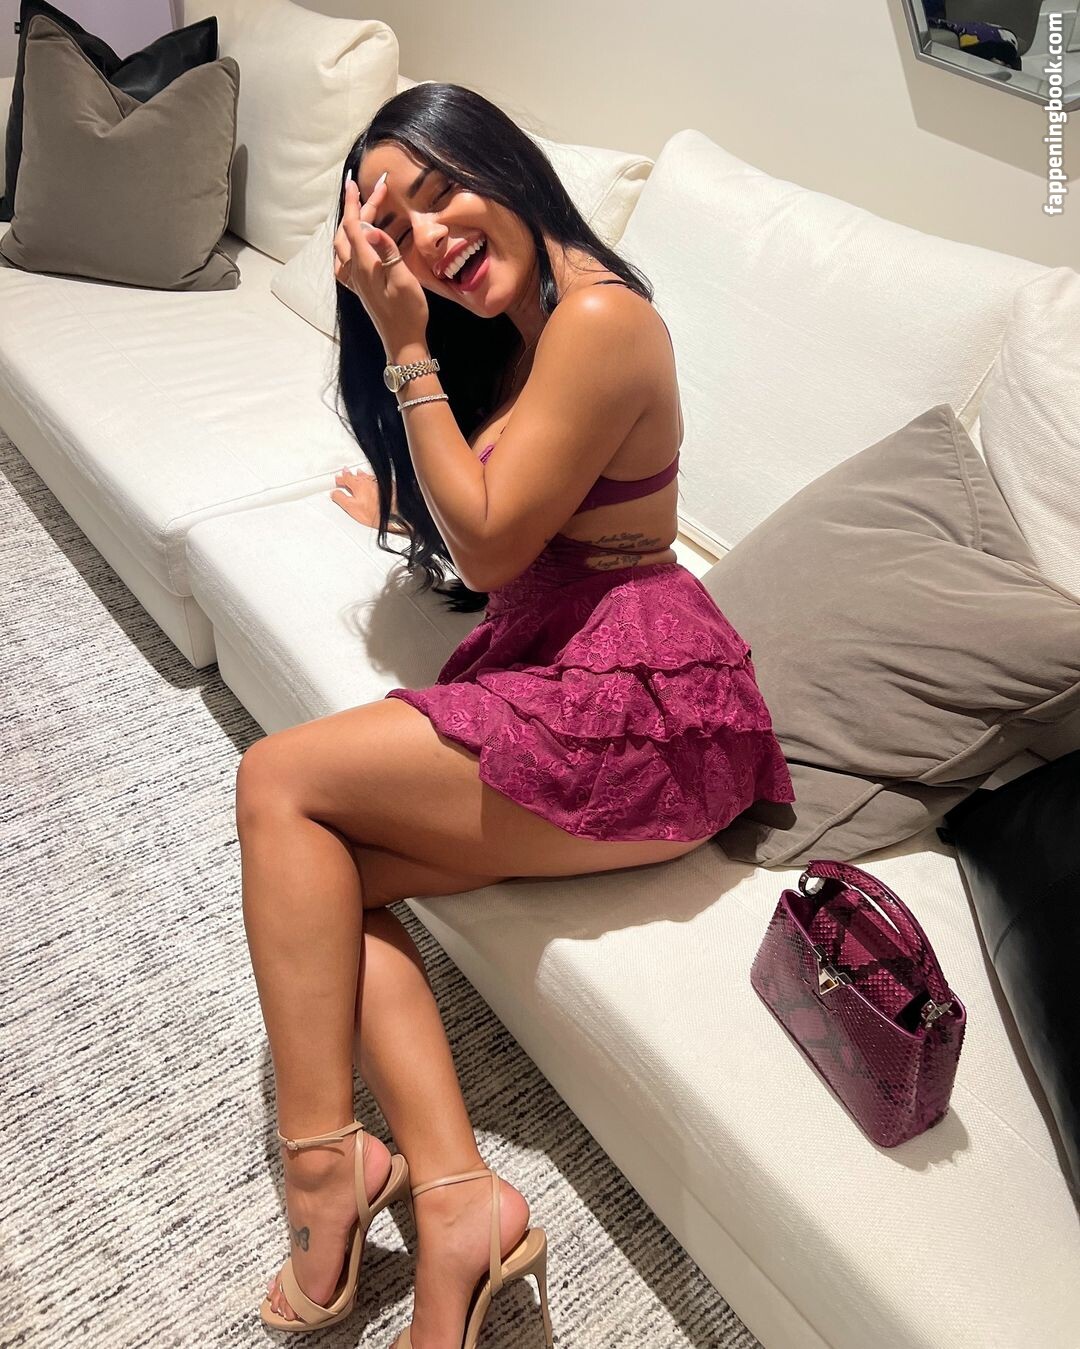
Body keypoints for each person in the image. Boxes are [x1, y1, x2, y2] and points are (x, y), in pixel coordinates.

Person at [240, 82, 795, 1347]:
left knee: (277, 781)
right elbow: (518, 503)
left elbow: (492, 546)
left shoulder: (600, 316)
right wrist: (403, 496)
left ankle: (323, 1172)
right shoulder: (529, 316)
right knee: (319, 877)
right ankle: (456, 1199)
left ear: (503, 163)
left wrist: (407, 346)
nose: (432, 239)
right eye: (396, 230)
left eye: (441, 193)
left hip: (650, 710)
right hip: (579, 663)